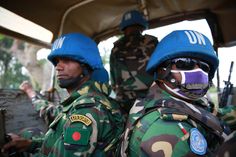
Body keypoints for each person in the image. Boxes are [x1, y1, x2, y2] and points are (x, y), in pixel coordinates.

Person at [2, 33, 125, 157]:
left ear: (86, 66)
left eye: (66, 60)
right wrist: (30, 144)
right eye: (57, 61)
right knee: (29, 134)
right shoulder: (83, 100)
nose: (58, 67)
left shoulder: (87, 109)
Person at [120, 30, 225, 156]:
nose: (198, 71)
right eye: (185, 63)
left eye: (205, 67)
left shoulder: (187, 103)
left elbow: (210, 112)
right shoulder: (164, 129)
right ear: (161, 70)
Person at [110, 10, 158, 113]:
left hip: (125, 101)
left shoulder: (116, 49)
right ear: (142, 26)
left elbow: (113, 80)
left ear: (124, 28)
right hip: (152, 98)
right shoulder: (152, 43)